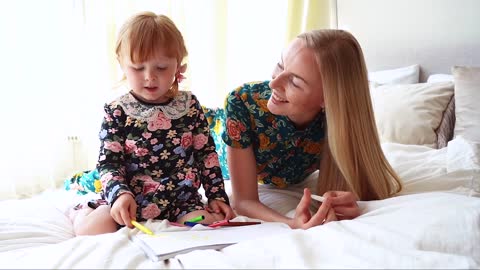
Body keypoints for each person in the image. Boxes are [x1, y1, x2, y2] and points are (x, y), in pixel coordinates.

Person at [71, 12, 234, 236]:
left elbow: (206, 155)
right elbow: (109, 163)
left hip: (181, 203)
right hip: (131, 203)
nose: (150, 76)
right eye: (138, 68)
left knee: (206, 222)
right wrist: (120, 194)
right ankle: (81, 210)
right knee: (90, 230)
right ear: (122, 64)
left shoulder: (190, 105)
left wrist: (216, 195)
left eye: (161, 67)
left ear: (178, 66)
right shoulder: (117, 111)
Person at [222, 29, 402, 229]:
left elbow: (364, 184)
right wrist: (290, 223)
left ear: (327, 99)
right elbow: (243, 201)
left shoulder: (335, 122)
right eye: (280, 65)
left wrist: (351, 201)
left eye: (295, 82)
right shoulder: (242, 102)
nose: (274, 83)